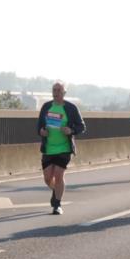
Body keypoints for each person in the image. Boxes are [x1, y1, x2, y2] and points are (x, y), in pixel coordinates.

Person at [37, 82, 85, 215]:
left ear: (64, 93)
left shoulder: (71, 108)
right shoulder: (46, 107)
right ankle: (56, 190)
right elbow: (39, 126)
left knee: (58, 175)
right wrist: (42, 131)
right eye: (54, 90)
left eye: (59, 90)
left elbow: (81, 127)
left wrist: (71, 130)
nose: (56, 92)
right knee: (47, 178)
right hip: (48, 148)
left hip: (64, 148)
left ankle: (57, 204)